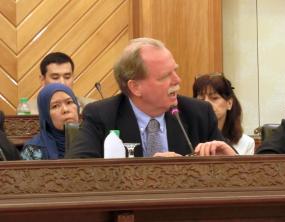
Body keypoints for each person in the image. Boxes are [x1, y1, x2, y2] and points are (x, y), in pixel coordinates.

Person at [65, 37, 236, 158]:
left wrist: (231, 159)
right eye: (165, 76)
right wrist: (150, 172)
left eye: (175, 70)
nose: (177, 80)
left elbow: (237, 176)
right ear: (135, 87)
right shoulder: (102, 116)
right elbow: (76, 174)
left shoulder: (198, 113)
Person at [193, 73, 255, 155]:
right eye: (201, 99)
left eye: (214, 98)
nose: (206, 104)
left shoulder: (246, 142)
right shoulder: (187, 136)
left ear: (229, 103)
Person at [21, 83, 80, 160]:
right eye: (55, 106)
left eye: (69, 102)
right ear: (46, 115)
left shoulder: (92, 140)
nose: (65, 110)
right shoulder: (33, 150)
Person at [29, 52, 94, 114]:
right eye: (55, 78)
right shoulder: (28, 110)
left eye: (67, 77)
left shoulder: (92, 107)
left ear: (73, 78)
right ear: (42, 80)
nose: (62, 83)